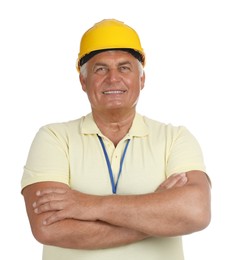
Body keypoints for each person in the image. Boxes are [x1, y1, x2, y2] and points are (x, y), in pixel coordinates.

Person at [21, 19, 211, 260]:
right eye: (100, 69)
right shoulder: (54, 138)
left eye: (124, 68)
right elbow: (48, 227)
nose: (113, 78)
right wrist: (159, 217)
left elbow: (196, 212)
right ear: (83, 81)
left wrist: (87, 205)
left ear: (141, 80)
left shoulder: (175, 138)